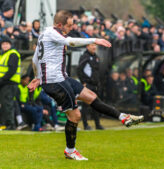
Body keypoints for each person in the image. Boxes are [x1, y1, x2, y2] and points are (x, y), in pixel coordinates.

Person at [28, 10, 143, 160]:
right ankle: (70, 150)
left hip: (61, 78)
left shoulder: (45, 34)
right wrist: (94, 40)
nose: (71, 28)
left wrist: (37, 77)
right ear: (60, 25)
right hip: (54, 81)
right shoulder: (52, 33)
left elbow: (35, 58)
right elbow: (71, 42)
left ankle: (123, 118)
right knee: (75, 115)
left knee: (91, 96)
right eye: (69, 25)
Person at [77, 42, 103, 130]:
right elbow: (79, 70)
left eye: (95, 45)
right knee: (85, 105)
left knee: (96, 104)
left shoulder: (96, 57)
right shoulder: (85, 57)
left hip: (95, 85)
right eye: (92, 45)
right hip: (88, 85)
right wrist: (83, 82)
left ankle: (97, 124)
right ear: (87, 46)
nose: (94, 47)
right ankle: (85, 124)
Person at [0, 36, 20, 130]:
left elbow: (12, 70)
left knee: (7, 104)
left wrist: (2, 79)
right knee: (4, 104)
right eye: (3, 44)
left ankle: (11, 125)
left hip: (10, 83)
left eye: (6, 44)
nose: (4, 45)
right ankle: (5, 124)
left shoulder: (13, 54)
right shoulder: (3, 54)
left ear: (10, 45)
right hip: (4, 83)